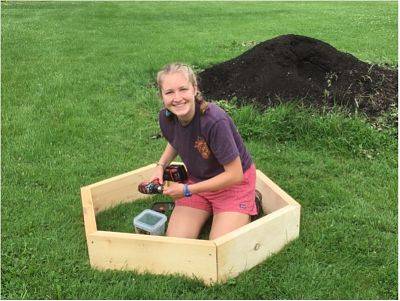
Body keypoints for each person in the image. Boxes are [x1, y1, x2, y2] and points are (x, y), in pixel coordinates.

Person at [150, 62, 257, 240]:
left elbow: (235, 175)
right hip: (197, 182)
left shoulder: (214, 121)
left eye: (183, 89)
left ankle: (251, 201)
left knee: (220, 245)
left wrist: (186, 190)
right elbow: (177, 139)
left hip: (232, 186)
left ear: (194, 88)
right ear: (162, 96)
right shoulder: (166, 117)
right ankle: (211, 209)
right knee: (177, 240)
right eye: (169, 92)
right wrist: (160, 166)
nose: (177, 98)